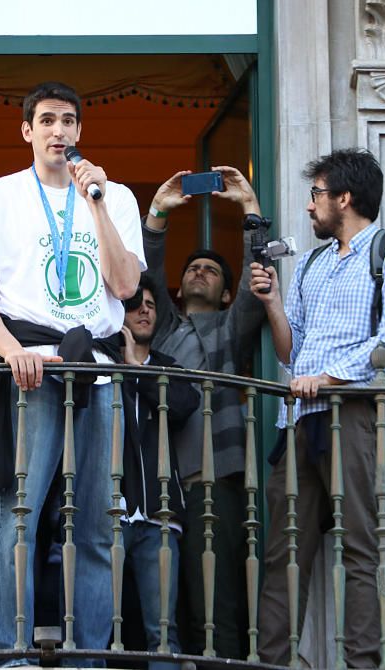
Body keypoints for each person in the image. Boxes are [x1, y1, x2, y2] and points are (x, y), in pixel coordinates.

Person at [0, 81, 144, 660]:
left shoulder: (117, 198)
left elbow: (126, 286)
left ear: (80, 131)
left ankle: (89, 655)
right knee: (17, 515)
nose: (58, 130)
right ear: (27, 131)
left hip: (101, 371)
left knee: (95, 528)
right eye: (47, 120)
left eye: (68, 120)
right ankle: (7, 654)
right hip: (29, 369)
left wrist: (97, 203)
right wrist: (11, 350)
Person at [249, 148, 385, 667]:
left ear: (344, 198)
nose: (309, 207)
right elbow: (290, 352)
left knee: (361, 545)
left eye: (316, 194)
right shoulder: (312, 263)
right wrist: (274, 304)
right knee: (283, 552)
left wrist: (326, 379)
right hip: (301, 417)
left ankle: (362, 663)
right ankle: (276, 661)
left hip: (352, 411)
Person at [141, 166, 267, 657]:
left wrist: (250, 210)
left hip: (217, 480)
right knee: (171, 609)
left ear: (227, 293)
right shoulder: (166, 328)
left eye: (211, 271)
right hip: (163, 485)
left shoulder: (231, 328)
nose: (199, 272)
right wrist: (159, 214)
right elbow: (149, 274)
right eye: (193, 267)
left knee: (219, 608)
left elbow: (258, 280)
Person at [118, 274, 199, 670]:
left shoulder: (169, 367)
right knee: (93, 627)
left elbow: (183, 405)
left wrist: (137, 367)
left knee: (162, 634)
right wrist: (125, 363)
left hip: (160, 514)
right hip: (109, 511)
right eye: (135, 303)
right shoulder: (98, 362)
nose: (144, 309)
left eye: (151, 303)